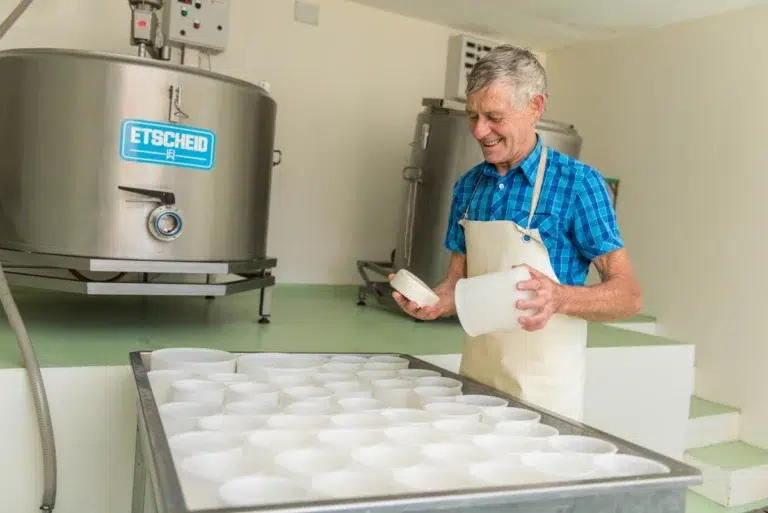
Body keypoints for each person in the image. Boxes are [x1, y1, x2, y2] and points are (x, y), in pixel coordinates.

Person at [389, 45, 642, 421]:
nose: (479, 131)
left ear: (534, 107)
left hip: (544, 397)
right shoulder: (468, 186)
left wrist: (560, 297)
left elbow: (629, 296)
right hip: (477, 382)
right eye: (472, 116)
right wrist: (433, 303)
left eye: (493, 117)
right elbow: (456, 284)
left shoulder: (579, 184)